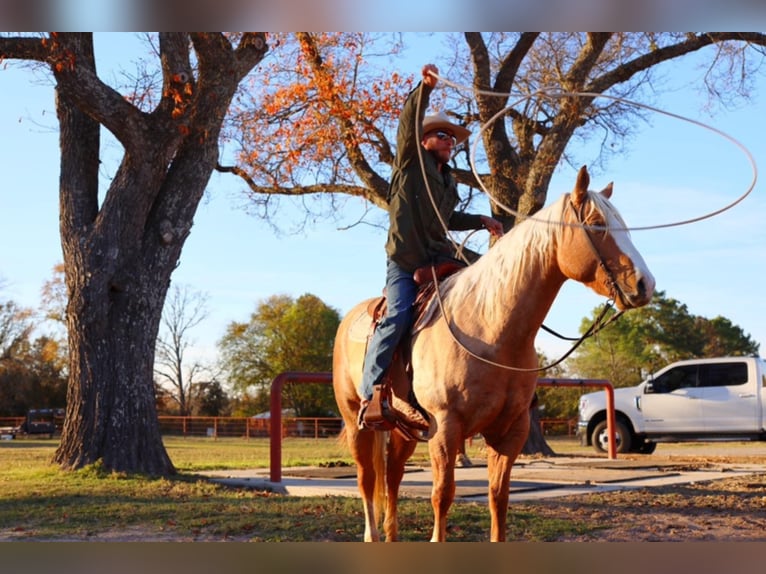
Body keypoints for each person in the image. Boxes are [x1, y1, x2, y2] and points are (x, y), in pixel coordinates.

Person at [358, 64, 504, 430]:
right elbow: (407, 123)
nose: (449, 142)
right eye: (441, 135)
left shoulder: (447, 180)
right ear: (424, 140)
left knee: (486, 280)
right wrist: (423, 90)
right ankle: (371, 392)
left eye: (452, 138)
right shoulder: (411, 164)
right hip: (406, 260)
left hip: (440, 253)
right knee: (398, 315)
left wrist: (481, 221)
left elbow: (447, 219)